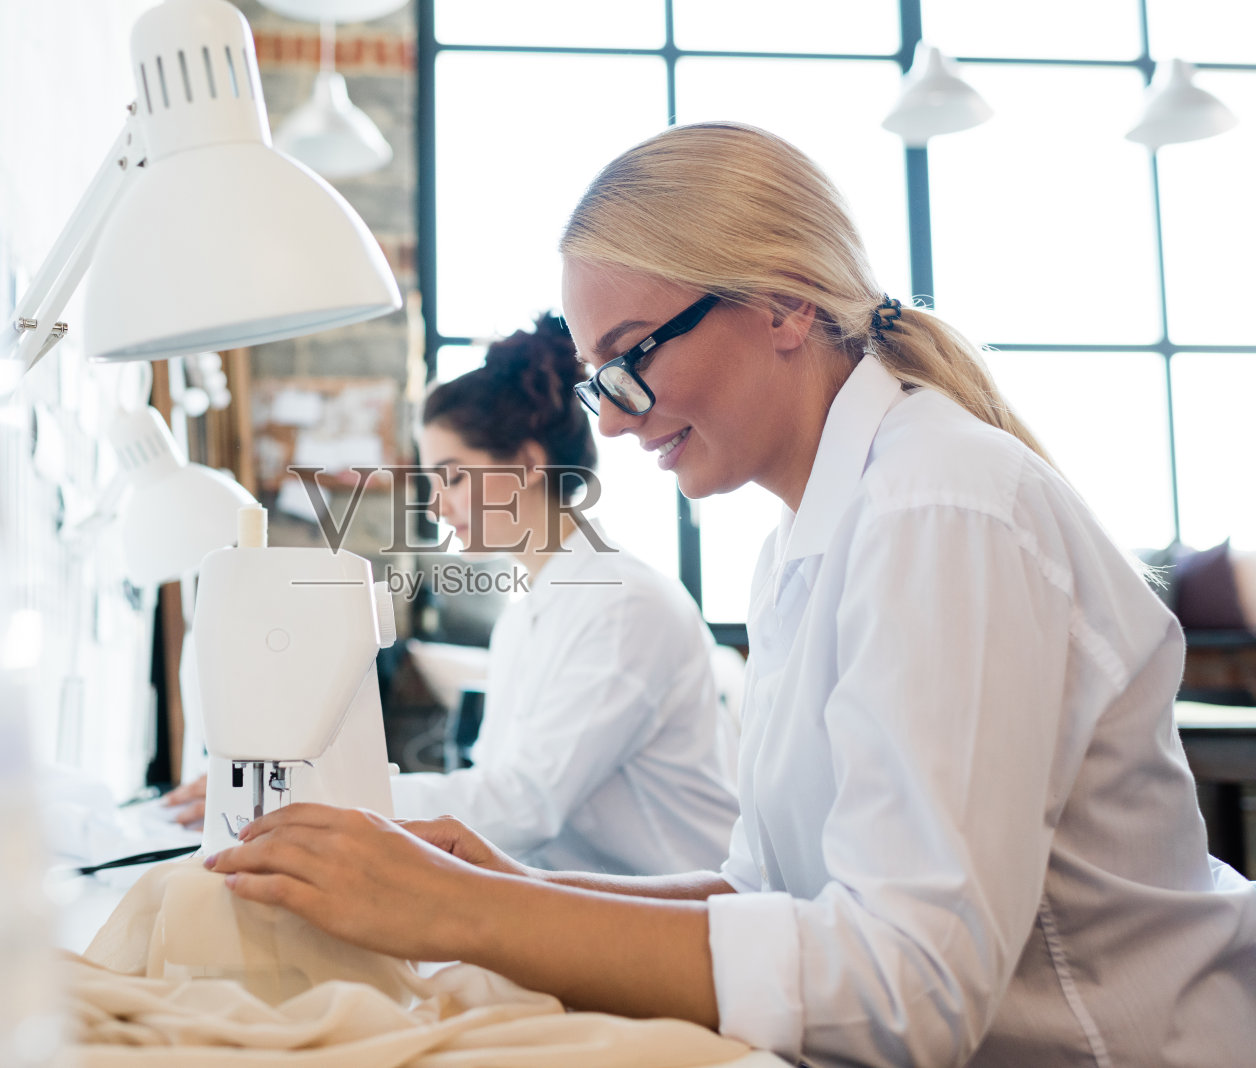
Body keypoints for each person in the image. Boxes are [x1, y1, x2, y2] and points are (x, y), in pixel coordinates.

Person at [202, 123, 1256, 1066]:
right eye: (596, 380)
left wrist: (463, 912)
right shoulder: (806, 539)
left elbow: (911, 990)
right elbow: (771, 899)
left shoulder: (938, 506)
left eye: (630, 360)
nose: (609, 422)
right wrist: (507, 889)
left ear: (785, 304)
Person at [392, 312, 739, 875]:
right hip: (582, 904)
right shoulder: (526, 615)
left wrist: (337, 797)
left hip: (677, 917)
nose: (437, 506)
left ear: (529, 463)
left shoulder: (624, 604)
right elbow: (497, 791)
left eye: (452, 477)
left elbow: (525, 804)